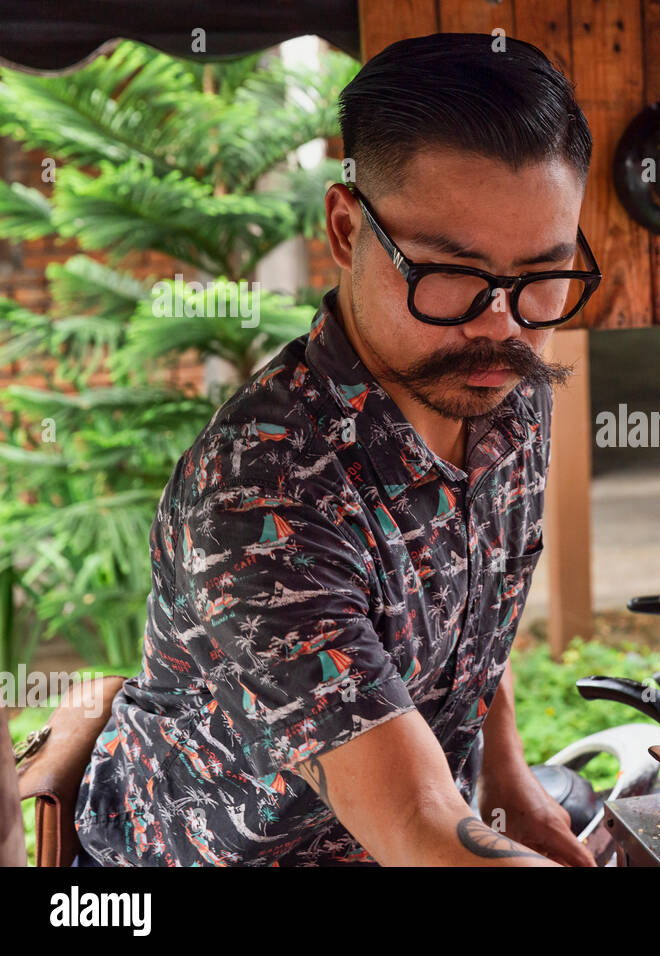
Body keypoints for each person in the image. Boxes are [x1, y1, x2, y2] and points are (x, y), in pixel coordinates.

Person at [73, 33, 602, 866]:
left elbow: (472, 612)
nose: (501, 324)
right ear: (348, 228)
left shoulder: (502, 388)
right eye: (452, 275)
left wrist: (507, 778)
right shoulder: (257, 497)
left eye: (543, 273)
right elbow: (421, 824)